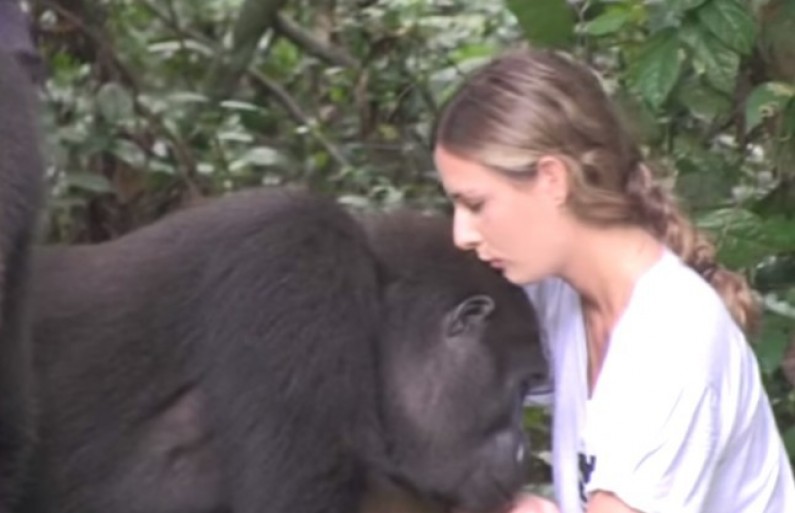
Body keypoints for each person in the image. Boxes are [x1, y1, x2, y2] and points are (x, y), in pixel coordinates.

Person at [432, 46, 795, 513]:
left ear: (552, 180)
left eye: (476, 205)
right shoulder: (558, 292)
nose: (462, 233)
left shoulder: (670, 341)